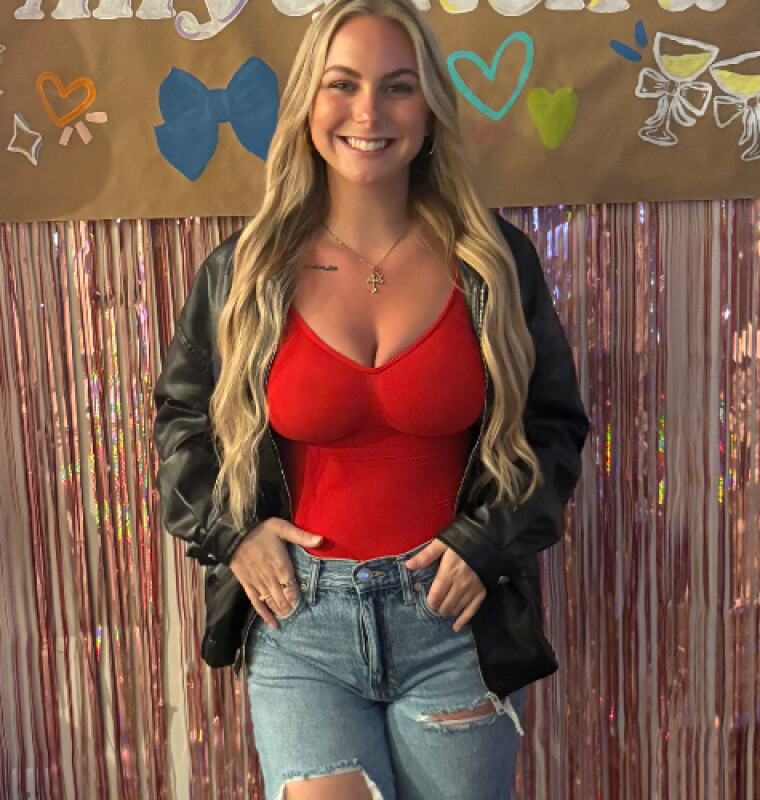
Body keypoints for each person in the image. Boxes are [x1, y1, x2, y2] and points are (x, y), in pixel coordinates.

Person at [153, 0, 589, 797]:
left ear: (429, 110)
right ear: (307, 104)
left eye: (398, 86)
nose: (368, 112)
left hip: (456, 624)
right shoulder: (244, 271)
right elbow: (182, 420)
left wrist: (487, 542)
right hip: (300, 627)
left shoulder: (493, 263)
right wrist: (233, 534)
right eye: (343, 84)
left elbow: (553, 428)